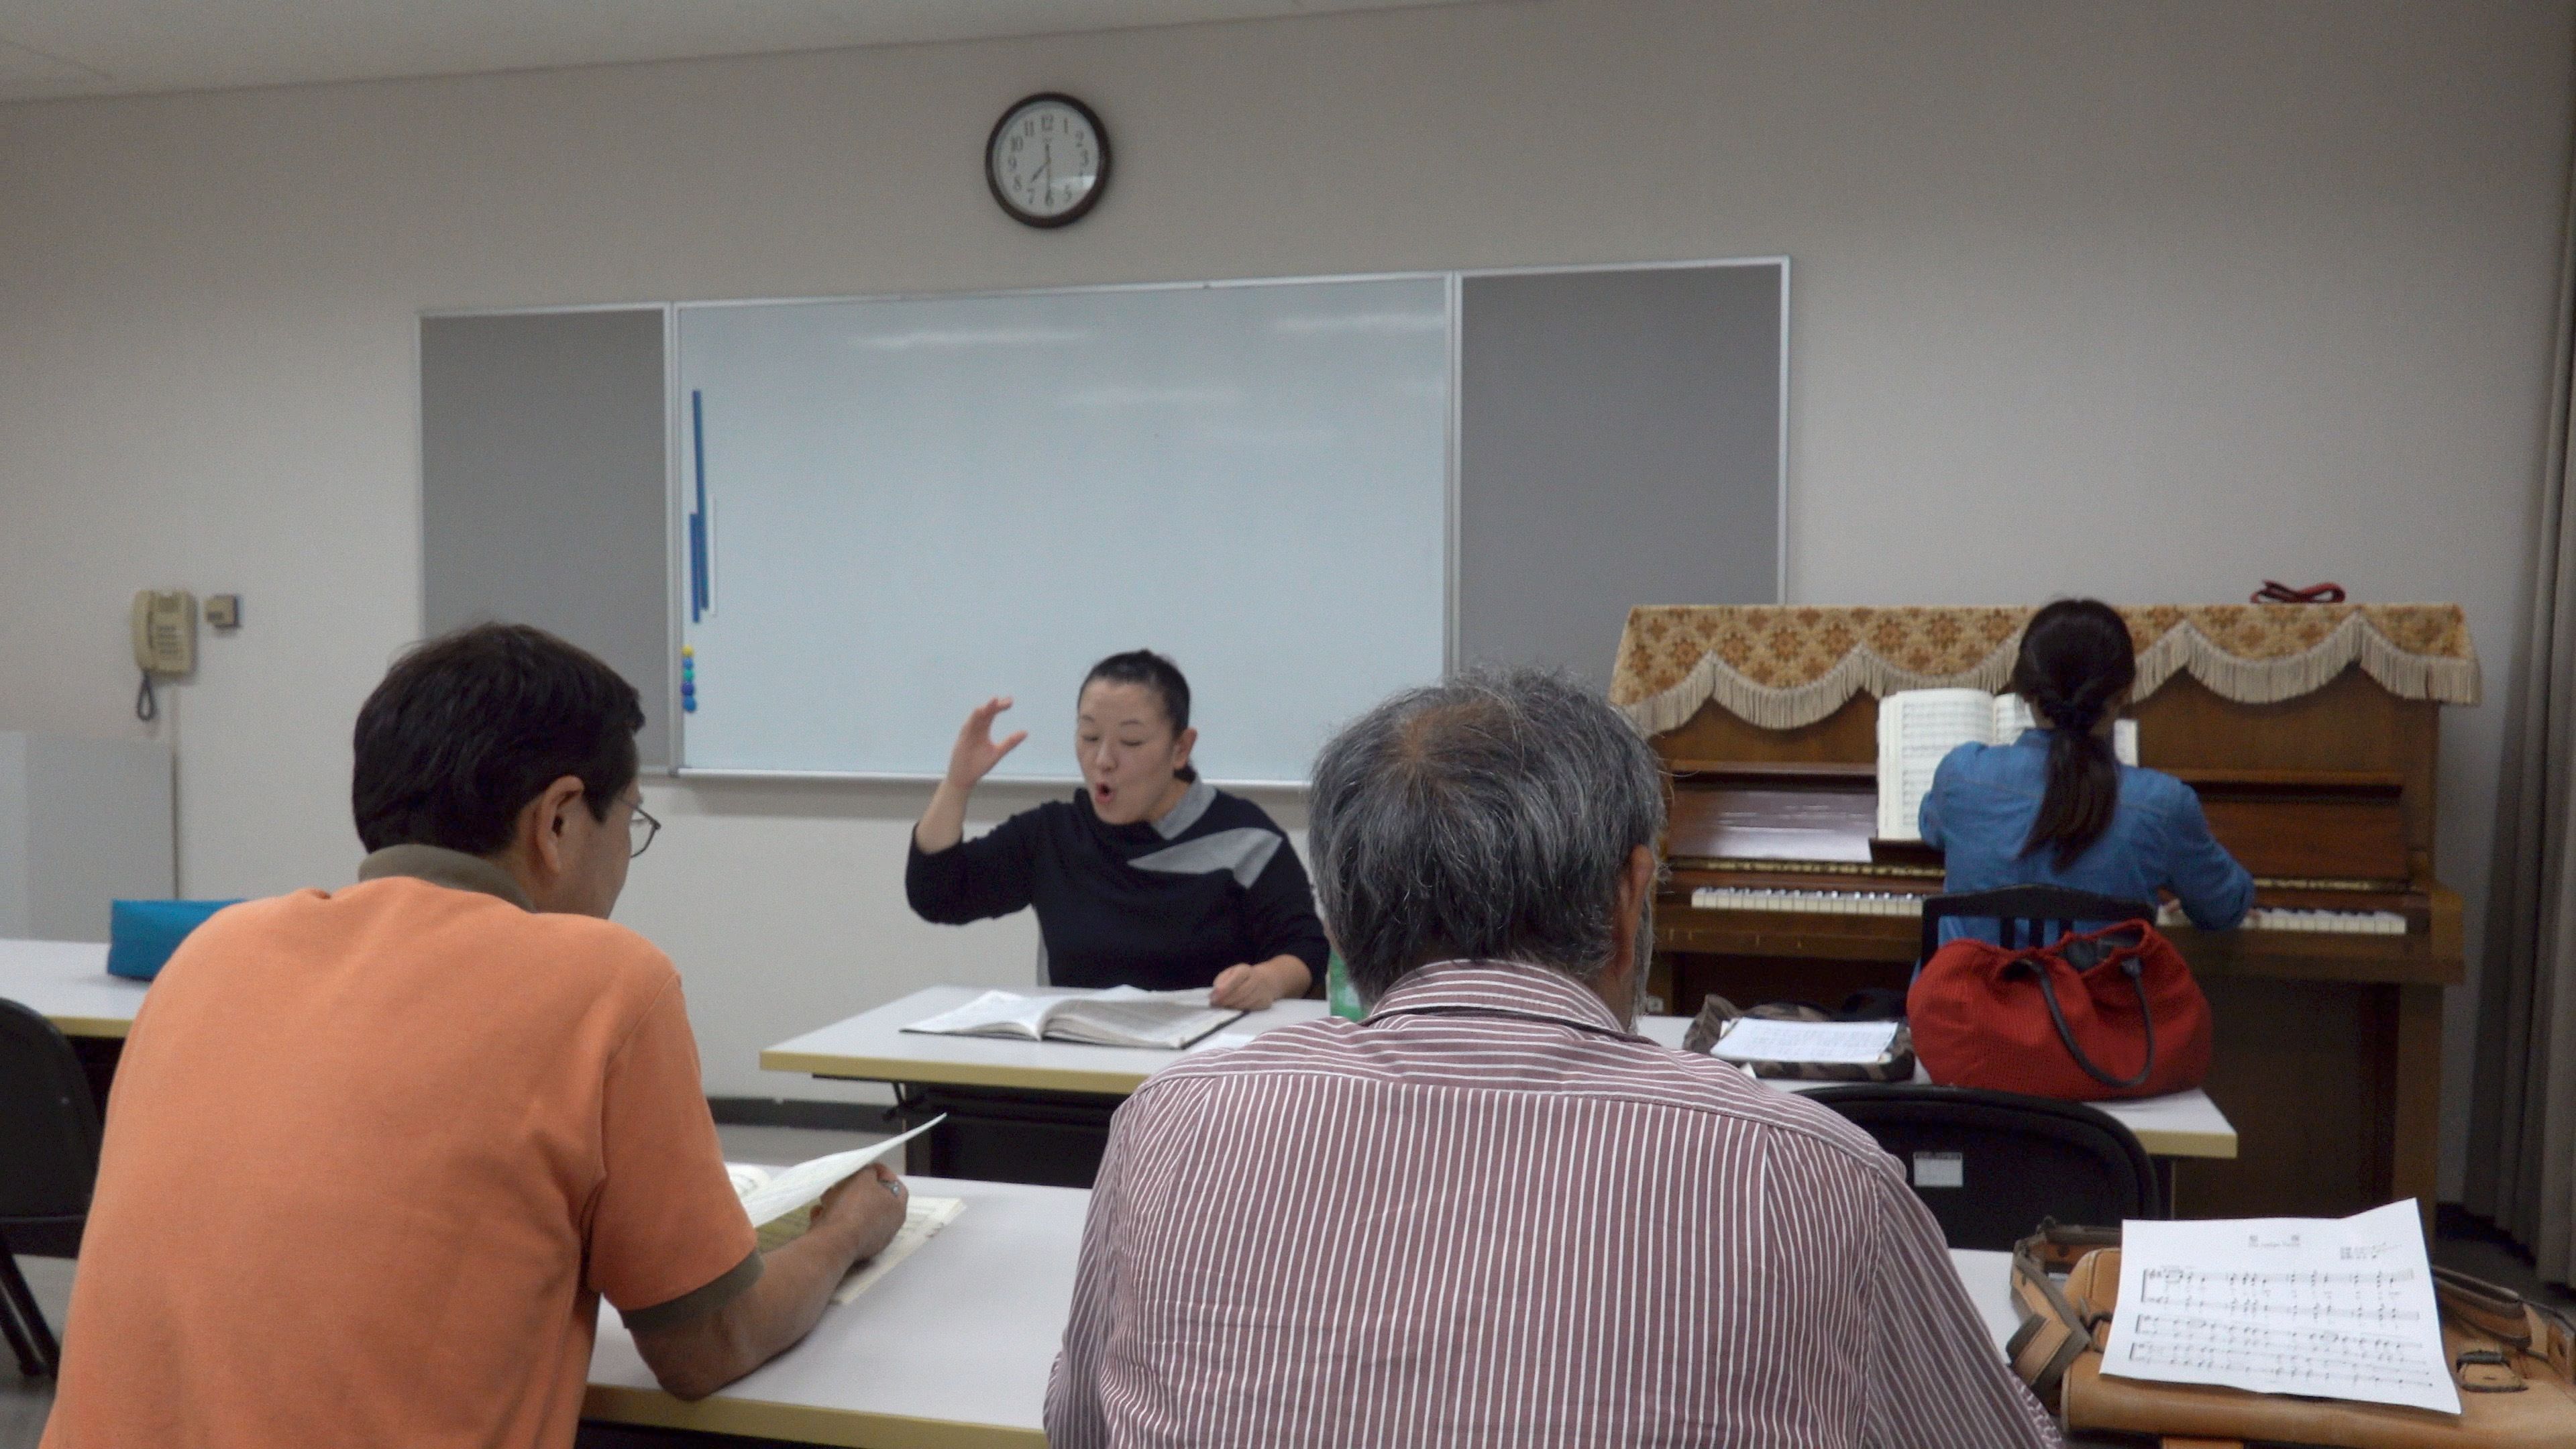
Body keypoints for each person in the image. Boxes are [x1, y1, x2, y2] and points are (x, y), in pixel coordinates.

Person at [1045, 670, 2061, 1448]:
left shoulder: (1171, 1120)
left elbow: (1082, 1426)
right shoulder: (1815, 1172)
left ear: (1343, 925)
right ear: (1629, 901)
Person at [42, 625, 909, 1449]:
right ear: (559, 820)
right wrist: (845, 1233)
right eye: (629, 821)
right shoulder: (605, 983)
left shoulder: (211, 953)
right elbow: (710, 1345)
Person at [906, 649, 1329, 1010]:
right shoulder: (1052, 836)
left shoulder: (1246, 839)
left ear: (1180, 748)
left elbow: (1305, 948)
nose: (1103, 760)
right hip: (1078, 1060)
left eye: (1131, 742)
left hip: (1207, 1065)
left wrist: (1267, 981)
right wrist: (957, 784)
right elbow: (938, 894)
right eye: (1089, 736)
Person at [1921, 597, 2255, 944]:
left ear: (2025, 690)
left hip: (1969, 981)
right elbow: (2224, 908)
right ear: (2125, 692)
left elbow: (1931, 831)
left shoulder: (1960, 774)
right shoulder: (2165, 805)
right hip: (2099, 983)